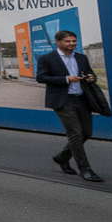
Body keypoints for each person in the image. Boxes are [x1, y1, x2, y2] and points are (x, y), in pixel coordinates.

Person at [35, 29, 103, 182]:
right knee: (75, 133)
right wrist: (66, 79)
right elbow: (41, 77)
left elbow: (90, 74)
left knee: (86, 133)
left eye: (74, 41)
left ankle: (61, 157)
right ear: (58, 42)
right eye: (68, 41)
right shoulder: (47, 58)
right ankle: (85, 169)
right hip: (63, 100)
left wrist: (91, 77)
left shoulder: (82, 58)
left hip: (82, 99)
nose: (72, 44)